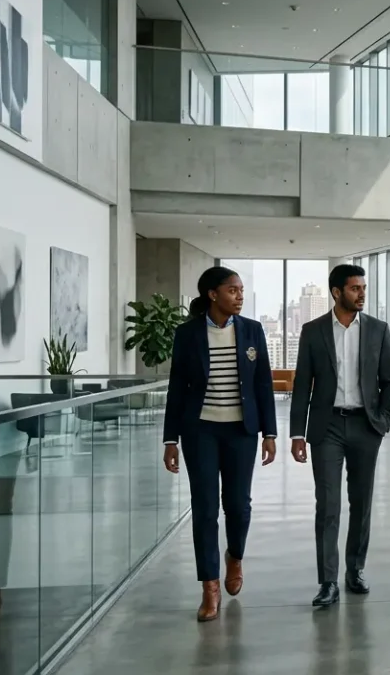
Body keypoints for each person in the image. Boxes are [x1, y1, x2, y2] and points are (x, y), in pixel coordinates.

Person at [163, 266, 278, 622]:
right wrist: (170, 439)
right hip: (200, 432)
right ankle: (209, 587)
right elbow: (177, 388)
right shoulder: (188, 334)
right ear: (213, 294)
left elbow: (263, 386)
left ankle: (235, 557)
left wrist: (270, 433)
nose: (239, 296)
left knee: (239, 507)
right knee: (205, 510)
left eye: (241, 290)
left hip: (241, 432)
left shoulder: (252, 331)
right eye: (233, 290)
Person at [289, 263, 390, 607]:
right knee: (328, 506)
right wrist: (296, 433)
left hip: (366, 426)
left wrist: (382, 421)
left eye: (363, 288)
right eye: (355, 288)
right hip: (327, 427)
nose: (362, 293)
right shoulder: (313, 330)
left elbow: (389, 381)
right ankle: (328, 582)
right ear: (337, 292)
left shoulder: (378, 330)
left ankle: (355, 570)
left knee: (361, 503)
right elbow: (302, 384)